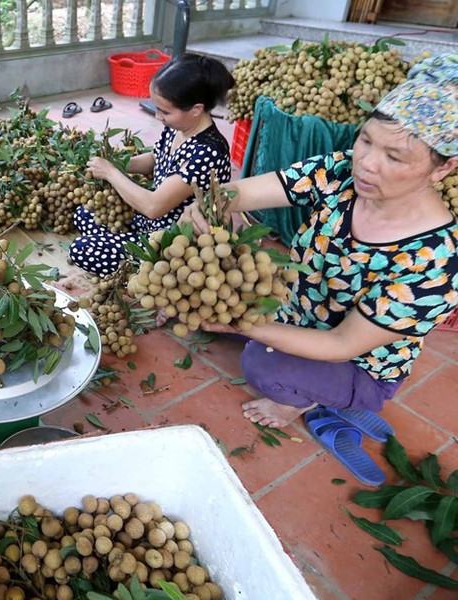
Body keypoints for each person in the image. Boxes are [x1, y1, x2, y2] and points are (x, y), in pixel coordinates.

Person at [183, 54, 457, 428]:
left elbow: (342, 344)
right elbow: (248, 191)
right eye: (365, 141)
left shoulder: (437, 266)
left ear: (444, 167)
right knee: (204, 307)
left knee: (261, 364)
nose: (366, 164)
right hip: (300, 311)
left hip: (357, 362)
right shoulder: (342, 170)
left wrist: (242, 325)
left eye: (394, 156)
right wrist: (213, 201)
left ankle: (299, 403)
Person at [70, 54, 235, 276]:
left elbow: (153, 207)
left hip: (171, 243)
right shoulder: (178, 127)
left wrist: (110, 172)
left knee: (82, 250)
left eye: (165, 111)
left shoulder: (209, 152)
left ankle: (150, 272)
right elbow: (156, 159)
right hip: (149, 223)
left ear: (196, 109)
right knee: (83, 213)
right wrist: (118, 163)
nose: (158, 116)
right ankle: (121, 248)